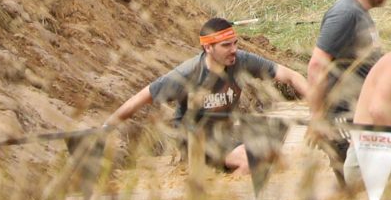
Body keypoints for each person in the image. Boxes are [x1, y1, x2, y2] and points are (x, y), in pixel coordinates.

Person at [108, 19, 306, 176]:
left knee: (277, 158)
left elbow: (291, 76)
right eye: (226, 45)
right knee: (249, 161)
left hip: (223, 136)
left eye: (235, 43)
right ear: (208, 48)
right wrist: (107, 127)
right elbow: (141, 97)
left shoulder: (241, 61)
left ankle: (226, 185)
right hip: (194, 141)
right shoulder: (187, 74)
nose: (234, 49)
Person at [303, 0, 391, 172]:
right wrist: (317, 118)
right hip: (343, 121)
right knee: (362, 189)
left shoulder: (358, 13)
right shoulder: (345, 14)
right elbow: (317, 65)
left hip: (361, 118)